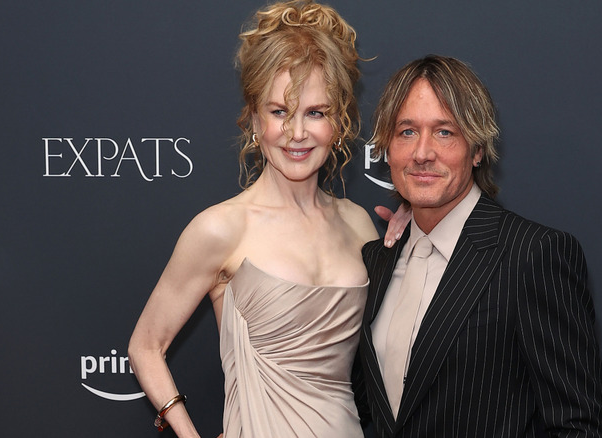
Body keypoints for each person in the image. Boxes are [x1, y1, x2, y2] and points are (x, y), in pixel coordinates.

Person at [128, 2, 407, 437]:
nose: (297, 133)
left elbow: (384, 358)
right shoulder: (221, 228)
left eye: (316, 112)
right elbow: (146, 345)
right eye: (280, 112)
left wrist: (409, 248)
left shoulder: (358, 224)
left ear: (339, 121)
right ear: (254, 119)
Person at [355, 55, 602, 437]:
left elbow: (579, 426)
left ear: (476, 149)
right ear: (387, 148)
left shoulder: (532, 255)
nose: (422, 153)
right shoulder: (377, 259)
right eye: (407, 131)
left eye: (444, 132)